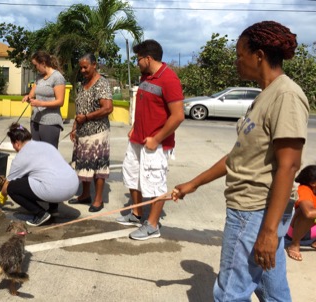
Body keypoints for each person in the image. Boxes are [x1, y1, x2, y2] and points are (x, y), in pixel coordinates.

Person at [172, 21, 309, 300]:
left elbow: (289, 165)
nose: (237, 61)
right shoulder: (264, 97)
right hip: (256, 212)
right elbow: (239, 157)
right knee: (273, 290)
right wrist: (193, 183)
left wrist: (269, 232)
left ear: (258, 56)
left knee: (229, 294)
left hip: (254, 211)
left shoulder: (286, 96)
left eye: (239, 55)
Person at [115, 39, 184, 240]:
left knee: (155, 182)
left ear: (148, 58)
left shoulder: (169, 79)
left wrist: (157, 138)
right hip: (138, 139)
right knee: (132, 175)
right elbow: (144, 106)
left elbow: (178, 115)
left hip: (156, 144)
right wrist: (135, 127)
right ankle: (137, 214)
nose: (137, 62)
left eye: (138, 59)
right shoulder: (146, 77)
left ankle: (152, 225)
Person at [0, 123, 79, 227]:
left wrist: (1, 195)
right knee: (44, 174)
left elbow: (7, 184)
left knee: (12, 188)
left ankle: (41, 214)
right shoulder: (45, 145)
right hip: (73, 185)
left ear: (17, 143)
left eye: (13, 144)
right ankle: (53, 209)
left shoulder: (20, 157)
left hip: (57, 190)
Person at [68, 53, 113, 213]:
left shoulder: (102, 83)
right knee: (83, 165)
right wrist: (75, 126)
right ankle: (85, 195)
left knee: (98, 167)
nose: (82, 70)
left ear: (94, 65)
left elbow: (107, 108)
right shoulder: (83, 84)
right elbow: (79, 108)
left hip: (98, 133)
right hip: (83, 132)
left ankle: (98, 199)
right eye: (80, 67)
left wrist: (86, 117)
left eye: (85, 67)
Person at [22, 51, 66, 149]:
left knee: (48, 155)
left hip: (50, 123)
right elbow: (32, 94)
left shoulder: (57, 77)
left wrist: (40, 103)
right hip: (35, 120)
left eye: (35, 65)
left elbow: (60, 101)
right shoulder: (39, 77)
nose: (35, 68)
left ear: (43, 63)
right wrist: (28, 97)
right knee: (37, 153)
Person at [285, 165, 316, 261]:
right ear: (313, 183)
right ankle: (294, 245)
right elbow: (309, 213)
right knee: (306, 213)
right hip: (297, 233)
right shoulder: (304, 190)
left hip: (312, 233)